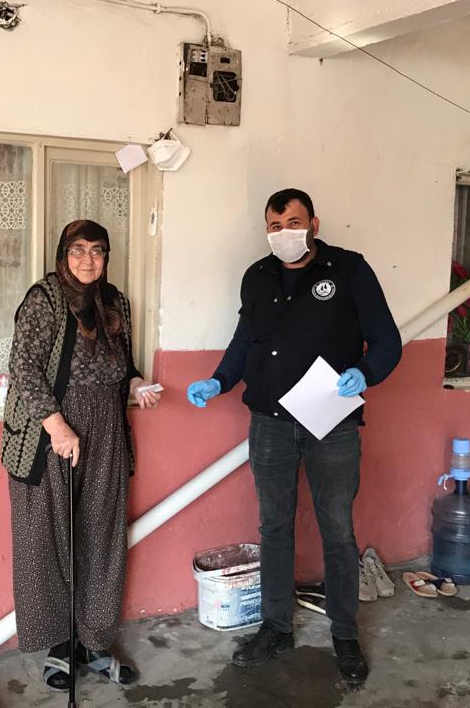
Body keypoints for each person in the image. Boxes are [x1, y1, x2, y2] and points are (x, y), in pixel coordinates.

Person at [186, 188, 401, 686]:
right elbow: (245, 341)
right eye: (275, 226)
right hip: (270, 423)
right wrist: (220, 380)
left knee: (337, 529)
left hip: (332, 424)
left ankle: (344, 634)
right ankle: (276, 628)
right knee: (275, 528)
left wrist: (366, 373)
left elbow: (387, 341)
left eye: (294, 223)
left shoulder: (349, 270)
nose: (285, 233)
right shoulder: (257, 277)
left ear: (314, 224)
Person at [0, 219, 159, 692]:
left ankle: (94, 642)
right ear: (63, 254)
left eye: (97, 250)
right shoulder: (45, 299)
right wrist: (57, 426)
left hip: (106, 428)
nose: (88, 260)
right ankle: (58, 645)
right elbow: (23, 367)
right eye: (78, 250)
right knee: (48, 540)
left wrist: (136, 383)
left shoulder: (115, 302)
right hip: (49, 433)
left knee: (101, 536)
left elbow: (122, 362)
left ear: (106, 256)